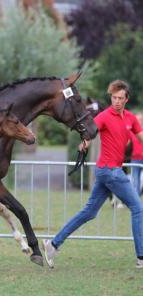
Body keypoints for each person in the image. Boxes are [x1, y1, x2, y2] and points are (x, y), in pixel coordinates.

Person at [42, 80, 143, 269]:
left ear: (126, 99)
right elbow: (89, 132)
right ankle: (141, 257)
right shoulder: (104, 116)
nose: (117, 101)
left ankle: (53, 244)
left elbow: (140, 137)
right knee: (138, 208)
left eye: (120, 98)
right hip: (110, 171)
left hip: (107, 172)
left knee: (89, 212)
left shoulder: (130, 119)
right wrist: (84, 144)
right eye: (114, 97)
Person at [130, 113, 143, 197]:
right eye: (136, 119)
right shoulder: (132, 131)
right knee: (135, 181)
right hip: (135, 159)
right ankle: (136, 199)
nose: (137, 121)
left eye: (139, 119)